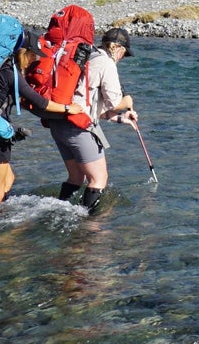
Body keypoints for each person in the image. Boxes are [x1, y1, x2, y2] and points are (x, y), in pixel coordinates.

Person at [0, 34, 77, 217]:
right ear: (23, 53)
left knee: (8, 180)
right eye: (33, 55)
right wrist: (68, 108)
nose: (35, 60)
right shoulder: (10, 72)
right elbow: (39, 102)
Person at [50, 26, 137, 210]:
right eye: (124, 54)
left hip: (59, 123)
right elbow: (114, 102)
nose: (122, 58)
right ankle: (89, 227)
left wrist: (122, 118)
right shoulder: (107, 63)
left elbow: (91, 105)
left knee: (76, 178)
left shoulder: (86, 56)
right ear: (119, 49)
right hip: (77, 129)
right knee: (99, 179)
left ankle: (57, 209)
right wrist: (127, 101)